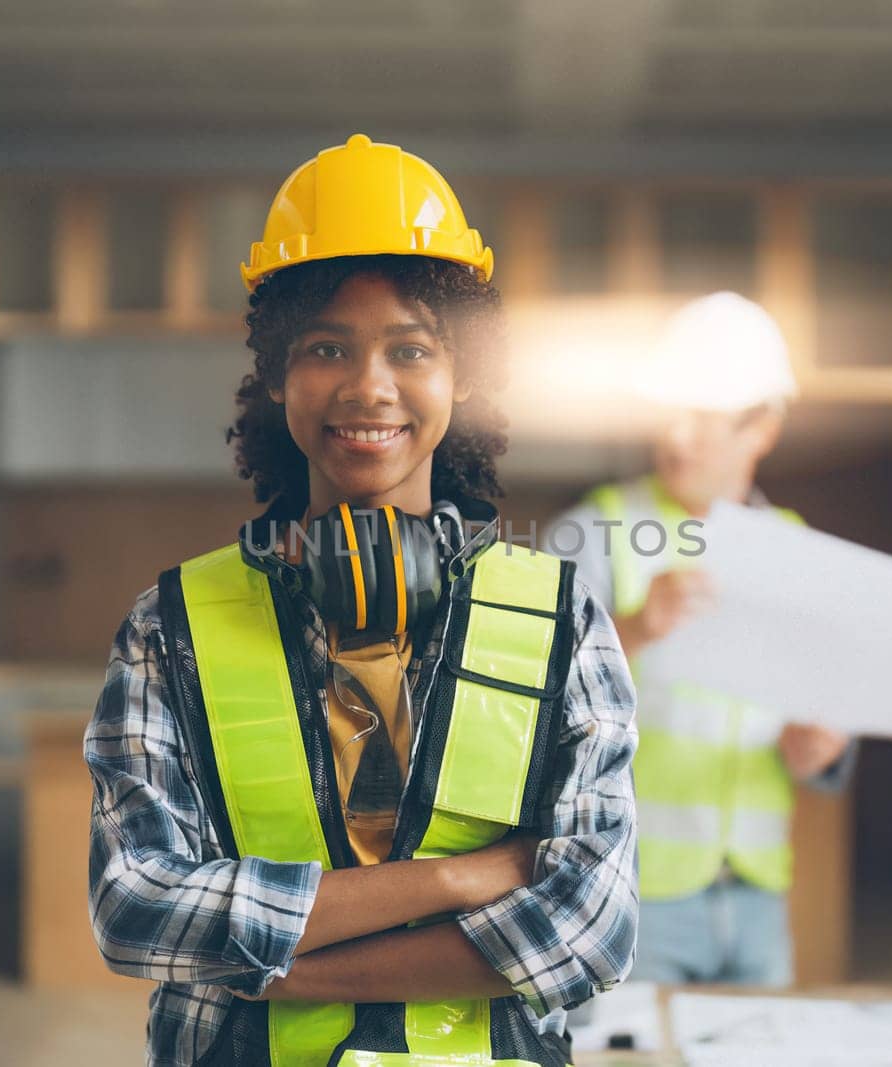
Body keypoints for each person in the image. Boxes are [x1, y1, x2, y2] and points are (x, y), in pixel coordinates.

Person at [83, 134, 638, 1067]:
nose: (369, 385)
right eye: (327, 347)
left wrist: (276, 965)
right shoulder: (168, 626)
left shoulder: (560, 618)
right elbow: (135, 910)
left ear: (461, 378)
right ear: (276, 375)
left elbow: (590, 930)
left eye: (411, 349)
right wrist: (463, 879)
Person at [547, 291, 852, 987]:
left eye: (704, 421)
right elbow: (530, 698)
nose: (677, 438)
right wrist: (633, 628)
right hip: (629, 890)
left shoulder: (797, 549)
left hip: (756, 890)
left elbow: (826, 713)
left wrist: (825, 749)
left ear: (763, 427)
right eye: (669, 415)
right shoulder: (594, 531)